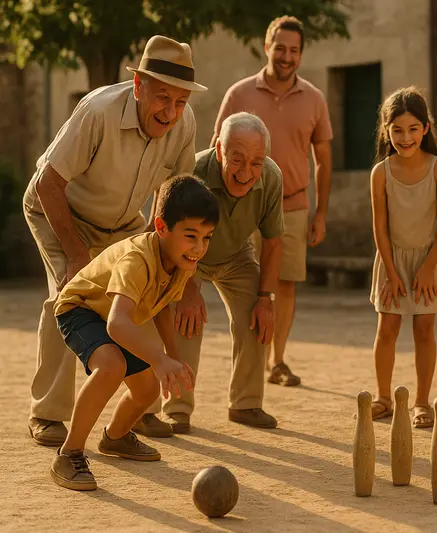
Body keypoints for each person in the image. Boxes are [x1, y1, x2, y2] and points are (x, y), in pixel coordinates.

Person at [24, 35, 206, 446]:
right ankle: (48, 415)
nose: (172, 112)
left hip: (123, 223)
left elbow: (176, 196)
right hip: (60, 211)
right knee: (66, 298)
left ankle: (137, 410)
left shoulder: (185, 123)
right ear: (138, 86)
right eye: (163, 98)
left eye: (181, 102)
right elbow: (49, 183)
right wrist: (76, 254)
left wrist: (187, 281)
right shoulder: (98, 110)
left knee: (139, 297)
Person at [49, 175, 217, 491]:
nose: (198, 247)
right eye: (191, 235)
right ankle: (68, 453)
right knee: (112, 366)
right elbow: (115, 324)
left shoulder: (182, 262)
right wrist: (158, 359)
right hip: (81, 308)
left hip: (115, 317)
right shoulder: (137, 259)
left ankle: (115, 438)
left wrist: (173, 358)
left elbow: (164, 307)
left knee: (147, 391)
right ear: (162, 227)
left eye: (207, 238)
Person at [211, 16, 333, 387]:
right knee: (250, 285)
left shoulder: (314, 98)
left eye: (294, 50)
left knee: (286, 285)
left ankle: (277, 360)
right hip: (243, 205)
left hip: (293, 205)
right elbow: (217, 147)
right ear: (267, 47)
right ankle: (253, 359)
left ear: (301, 54)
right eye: (280, 48)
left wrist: (321, 213)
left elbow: (324, 159)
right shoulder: (239, 94)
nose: (286, 56)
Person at [151, 112, 284, 433]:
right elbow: (167, 238)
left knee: (256, 313)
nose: (247, 172)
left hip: (236, 253)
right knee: (186, 318)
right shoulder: (192, 172)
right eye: (237, 160)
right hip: (184, 255)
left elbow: (274, 241)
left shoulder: (271, 177)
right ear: (220, 150)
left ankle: (246, 403)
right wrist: (188, 288)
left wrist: (266, 299)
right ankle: (177, 409)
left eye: (256, 162)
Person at [368, 87, 437, 428]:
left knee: (424, 329)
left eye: (413, 128)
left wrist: (429, 267)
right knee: (387, 327)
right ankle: (383, 397)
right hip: (391, 261)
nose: (405, 137)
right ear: (386, 130)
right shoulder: (381, 173)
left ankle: (420, 401)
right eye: (397, 129)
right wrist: (390, 270)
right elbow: (380, 228)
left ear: (426, 128)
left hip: (429, 260)